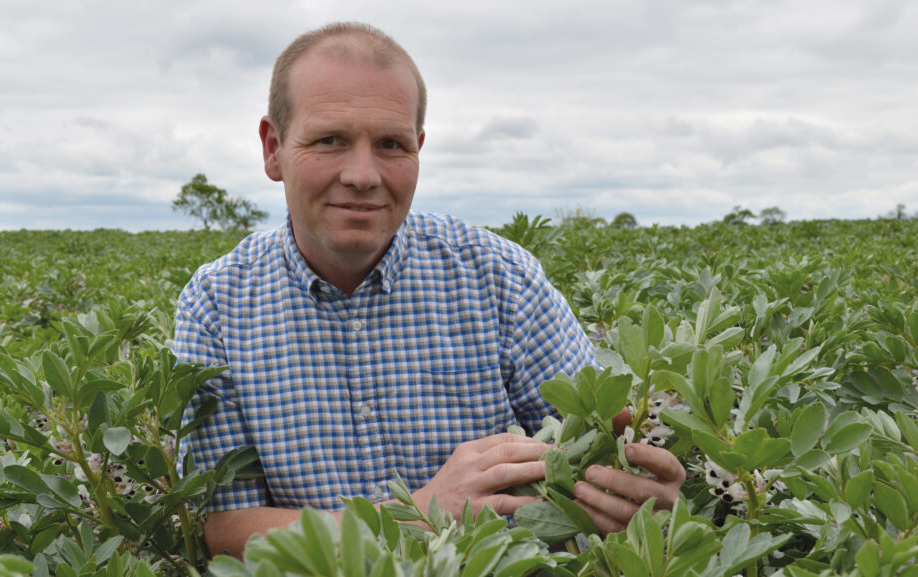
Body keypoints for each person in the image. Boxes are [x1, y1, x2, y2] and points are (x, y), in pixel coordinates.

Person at [173, 21, 685, 558]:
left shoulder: (499, 276)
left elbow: (603, 446)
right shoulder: (217, 305)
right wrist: (416, 515)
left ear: (418, 148)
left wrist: (639, 489)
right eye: (330, 140)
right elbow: (226, 528)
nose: (363, 174)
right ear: (273, 148)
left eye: (391, 144)